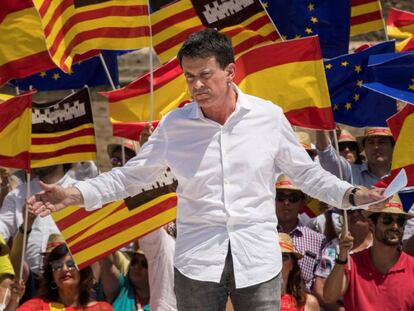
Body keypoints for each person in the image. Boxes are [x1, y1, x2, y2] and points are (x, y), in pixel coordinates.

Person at [29, 29, 383, 310]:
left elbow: (308, 176)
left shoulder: (268, 117)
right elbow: (129, 177)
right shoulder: (174, 125)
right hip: (197, 262)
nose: (196, 85)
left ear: (229, 72)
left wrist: (351, 194)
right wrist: (72, 194)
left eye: (205, 75)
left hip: (258, 259)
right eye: (189, 77)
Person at [323, 195, 414, 310]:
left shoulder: (412, 267)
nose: (395, 226)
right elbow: (329, 297)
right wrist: (342, 256)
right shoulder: (352, 263)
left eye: (400, 221)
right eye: (387, 220)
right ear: (371, 224)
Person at [7, 244, 113, 310]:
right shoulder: (37, 306)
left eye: (71, 264)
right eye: (57, 266)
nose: (64, 269)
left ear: (83, 271)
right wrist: (14, 300)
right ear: (52, 275)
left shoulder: (102, 308)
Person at [313, 207, 372, 310]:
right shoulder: (333, 248)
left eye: (360, 209)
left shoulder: (380, 246)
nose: (355, 214)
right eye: (349, 210)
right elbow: (320, 289)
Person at [275, 175, 325, 290]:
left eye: (293, 198)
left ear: (302, 203)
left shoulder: (319, 241)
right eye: (280, 197)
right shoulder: (261, 235)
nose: (286, 203)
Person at [316, 127, 394, 187]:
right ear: (364, 148)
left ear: (393, 147)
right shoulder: (351, 172)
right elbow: (326, 155)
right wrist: (320, 125)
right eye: (371, 143)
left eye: (382, 142)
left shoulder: (403, 173)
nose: (376, 147)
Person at [279, 233, 319, 311]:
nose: (278, 261)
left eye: (284, 257)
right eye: (274, 256)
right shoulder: (253, 300)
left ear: (292, 264)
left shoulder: (308, 303)